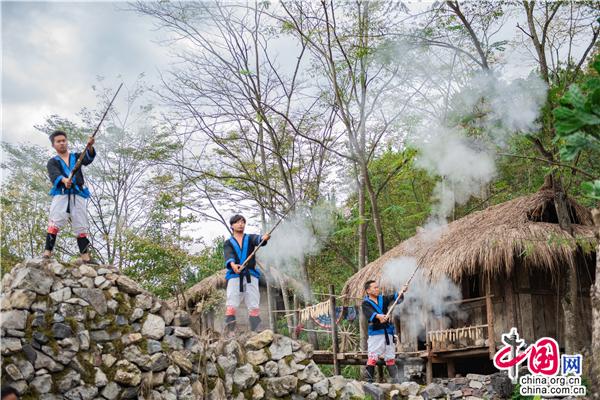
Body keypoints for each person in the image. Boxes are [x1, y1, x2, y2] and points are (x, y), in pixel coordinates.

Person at [43, 130, 96, 263]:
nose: (62, 143)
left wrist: (89, 146)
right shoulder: (52, 162)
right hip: (61, 195)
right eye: (58, 141)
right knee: (54, 221)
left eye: (63, 140)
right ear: (53, 145)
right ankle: (47, 253)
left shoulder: (77, 156)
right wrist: (64, 180)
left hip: (78, 194)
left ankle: (85, 257)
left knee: (81, 224)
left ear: (67, 141)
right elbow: (54, 175)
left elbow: (88, 159)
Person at [223, 214, 270, 333]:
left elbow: (258, 240)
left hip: (250, 275)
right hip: (234, 276)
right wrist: (233, 265)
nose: (241, 224)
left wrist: (264, 238)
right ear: (232, 226)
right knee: (231, 302)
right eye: (238, 222)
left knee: (254, 302)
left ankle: (255, 330)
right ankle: (230, 331)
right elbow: (229, 254)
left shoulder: (249, 238)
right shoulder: (228, 243)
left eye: (243, 222)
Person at [362, 280, 407, 383]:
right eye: (375, 287)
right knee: (373, 356)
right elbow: (370, 313)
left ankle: (396, 381)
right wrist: (378, 316)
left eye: (377, 287)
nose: (377, 289)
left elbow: (395, 298)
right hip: (375, 333)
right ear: (368, 290)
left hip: (388, 331)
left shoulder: (383, 299)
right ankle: (369, 381)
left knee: (390, 356)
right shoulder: (365, 303)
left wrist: (401, 292)